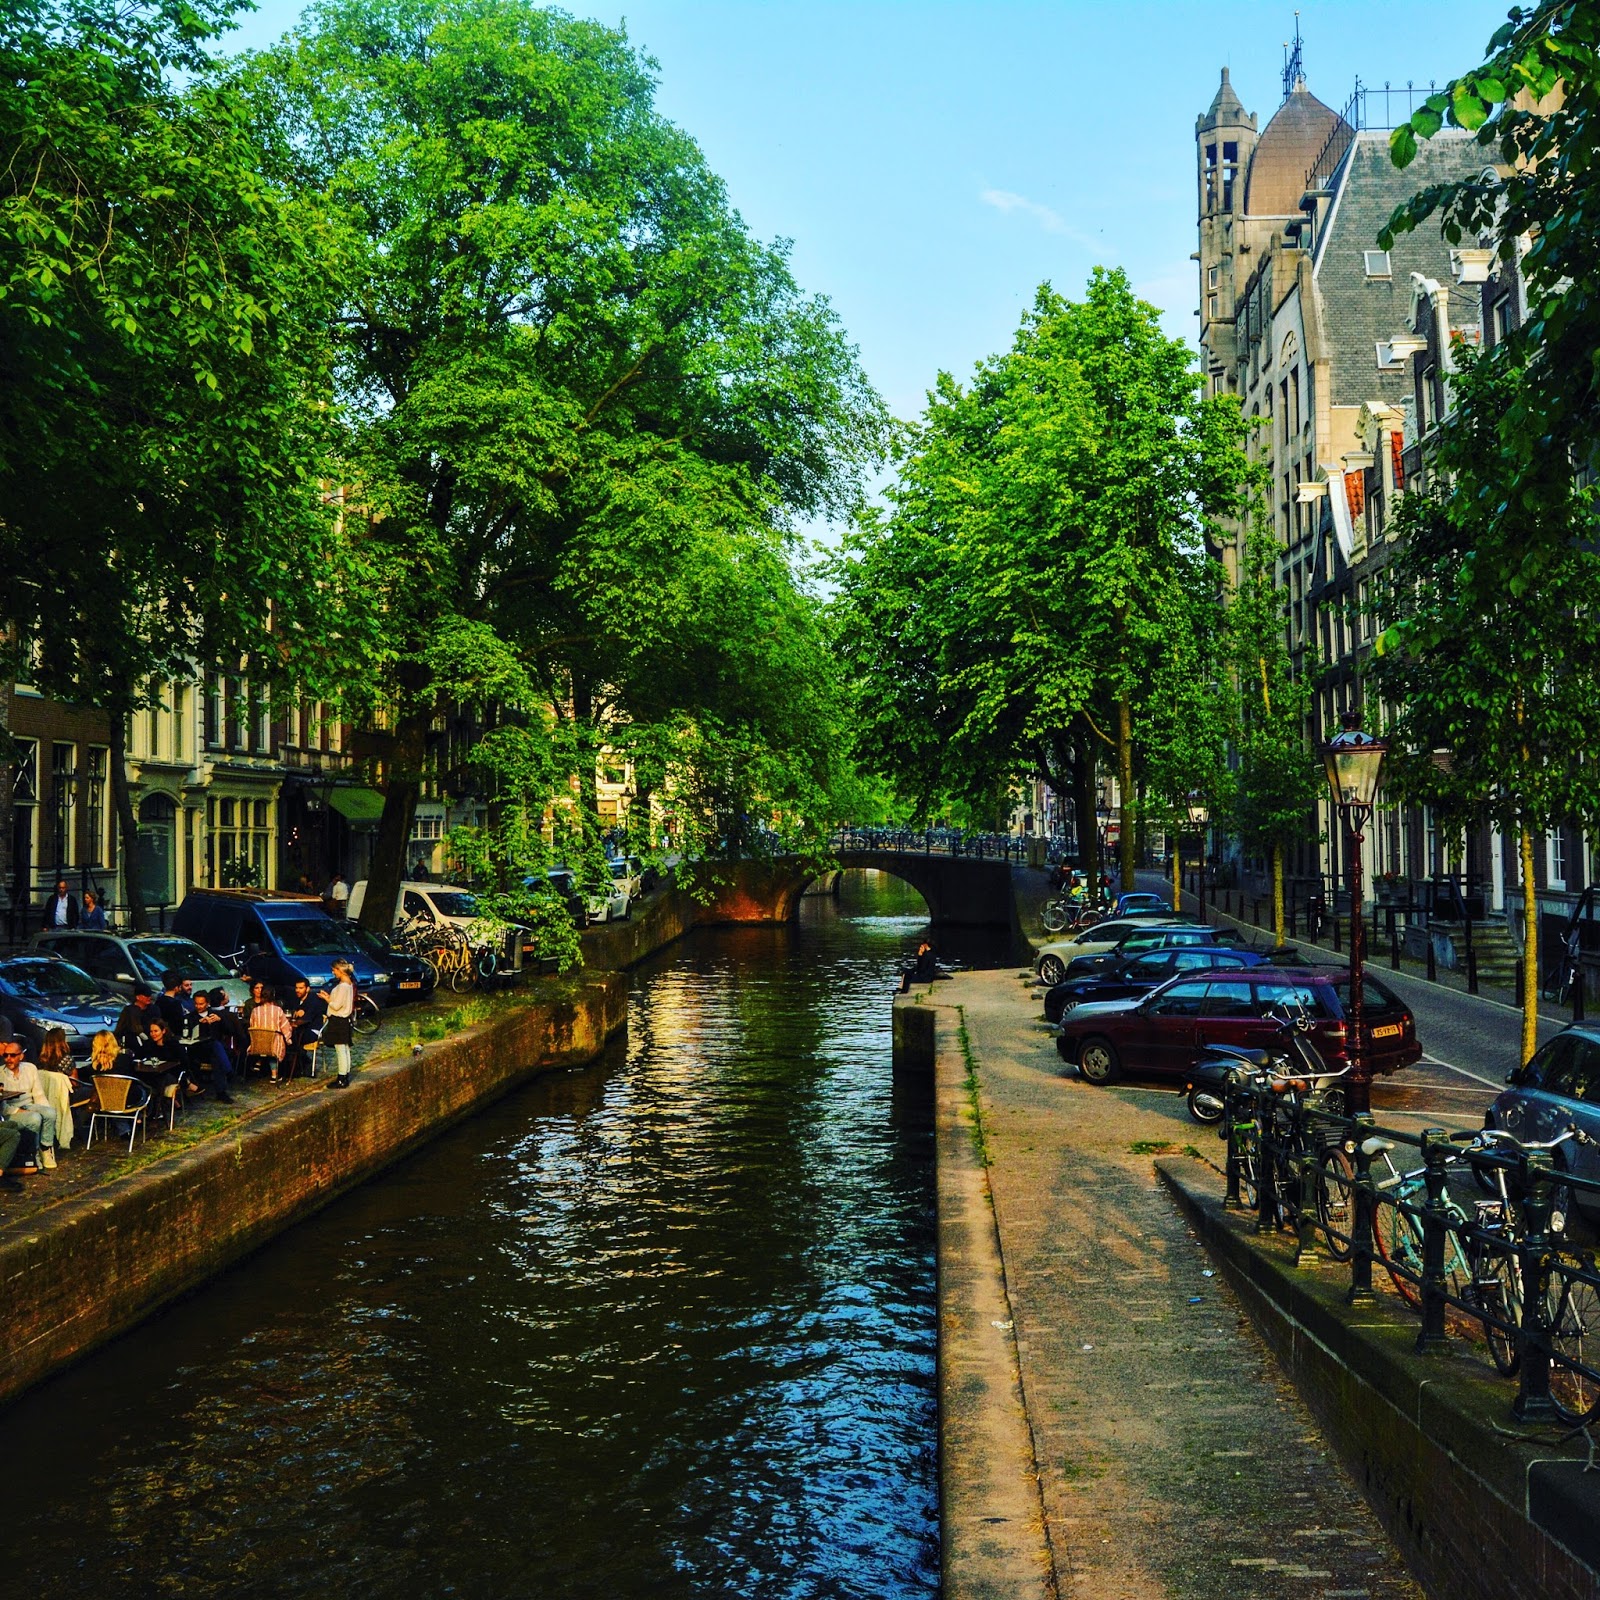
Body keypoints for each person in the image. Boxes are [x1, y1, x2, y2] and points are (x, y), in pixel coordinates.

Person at [0, 1038, 60, 1168]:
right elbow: (3, 1106)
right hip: (11, 1109)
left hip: (29, 1104)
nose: (8, 1059)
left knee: (50, 1112)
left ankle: (45, 1148)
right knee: (34, 1117)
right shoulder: (0, 1073)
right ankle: (34, 1153)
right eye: (6, 1055)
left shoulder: (30, 1068)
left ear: (21, 1056)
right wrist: (22, 1112)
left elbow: (38, 1094)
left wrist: (45, 1110)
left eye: (13, 1055)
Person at [189, 991, 236, 1103]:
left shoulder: (215, 1014)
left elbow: (230, 1032)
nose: (198, 1006)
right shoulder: (191, 1017)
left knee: (216, 1053)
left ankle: (221, 1092)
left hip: (216, 1051)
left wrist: (221, 1021)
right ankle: (229, 1072)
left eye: (201, 1004)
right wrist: (200, 1023)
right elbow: (188, 1034)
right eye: (196, 1004)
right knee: (216, 1046)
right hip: (199, 1049)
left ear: (207, 1003)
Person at [322, 959, 356, 1088]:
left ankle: (342, 1078)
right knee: (344, 1048)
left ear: (340, 970)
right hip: (344, 1019)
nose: (333, 972)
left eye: (334, 970)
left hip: (338, 1020)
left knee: (340, 1049)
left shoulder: (342, 986)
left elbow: (336, 1006)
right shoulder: (349, 984)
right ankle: (345, 1074)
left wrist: (326, 999)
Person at [287, 977, 327, 1078]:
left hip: (313, 1030)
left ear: (307, 989)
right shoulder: (296, 999)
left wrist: (303, 1014)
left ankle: (302, 1064)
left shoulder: (313, 1000)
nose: (298, 990)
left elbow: (308, 1018)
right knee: (287, 1036)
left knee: (293, 1038)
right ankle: (295, 1065)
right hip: (300, 1029)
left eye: (301, 988)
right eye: (296, 988)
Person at [115, 986, 157, 1053]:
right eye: (146, 995)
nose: (149, 997)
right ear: (138, 997)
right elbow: (120, 1029)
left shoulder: (154, 1009)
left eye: (150, 995)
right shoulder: (128, 1011)